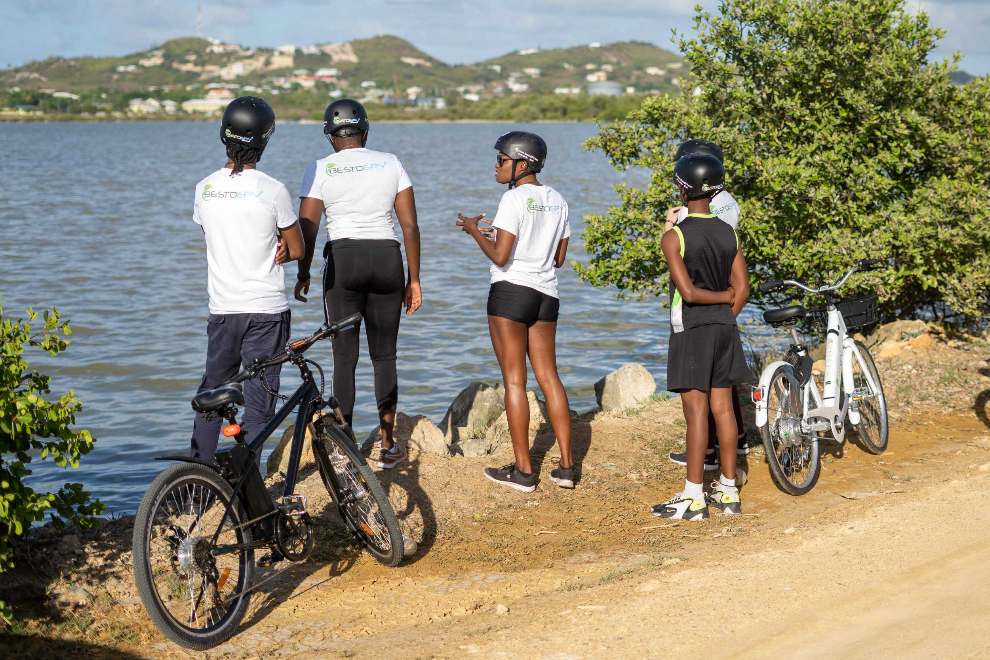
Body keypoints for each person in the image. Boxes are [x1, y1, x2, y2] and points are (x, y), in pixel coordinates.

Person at [294, 99, 422, 470]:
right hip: (387, 259)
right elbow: (410, 226)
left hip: (344, 262)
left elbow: (308, 230)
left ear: (330, 136)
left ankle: (344, 449)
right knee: (385, 357)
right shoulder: (391, 162)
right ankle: (389, 445)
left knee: (344, 358)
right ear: (365, 132)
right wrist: (414, 279)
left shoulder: (320, 168)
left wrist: (303, 273)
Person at [456, 131, 575, 492]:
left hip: (510, 293)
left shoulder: (513, 198)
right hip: (546, 295)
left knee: (514, 381)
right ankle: (567, 468)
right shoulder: (558, 200)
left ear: (522, 164)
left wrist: (475, 230)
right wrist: (502, 237)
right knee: (550, 377)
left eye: (502, 160)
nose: (496, 165)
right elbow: (558, 257)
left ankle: (524, 473)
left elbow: (501, 256)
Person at [190, 96, 305, 468]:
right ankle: (246, 483)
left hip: (223, 311)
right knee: (259, 403)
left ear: (224, 135)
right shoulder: (273, 190)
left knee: (212, 396)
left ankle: (200, 477)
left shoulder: (204, 188)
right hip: (266, 313)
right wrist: (283, 245)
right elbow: (298, 248)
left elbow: (215, 234)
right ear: (264, 140)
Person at [652, 153, 750, 520]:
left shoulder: (674, 236)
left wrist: (716, 304)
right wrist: (725, 308)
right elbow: (742, 289)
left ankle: (693, 497)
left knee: (696, 415)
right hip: (725, 329)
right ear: (715, 190)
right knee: (723, 410)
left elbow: (689, 293)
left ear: (683, 189)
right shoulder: (728, 232)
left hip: (691, 330)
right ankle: (728, 491)